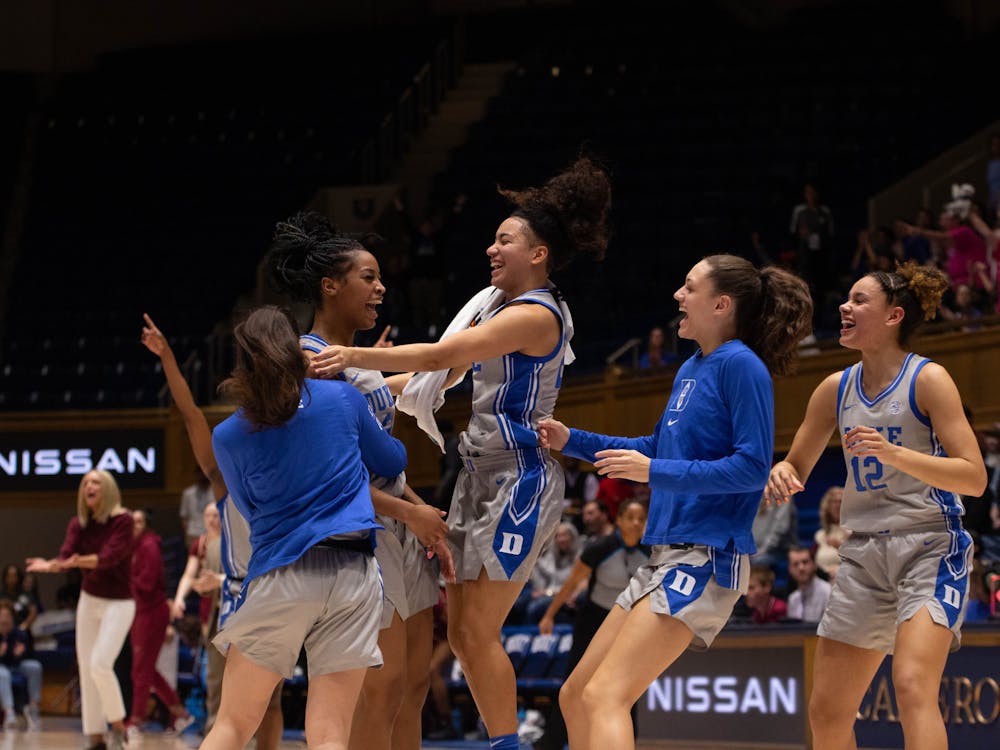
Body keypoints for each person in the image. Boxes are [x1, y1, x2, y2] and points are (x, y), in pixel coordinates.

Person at [309, 155, 613, 750]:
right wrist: (356, 383)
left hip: (519, 480)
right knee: (468, 635)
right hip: (478, 474)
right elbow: (431, 380)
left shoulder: (536, 314)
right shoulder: (495, 304)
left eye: (505, 240)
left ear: (539, 254)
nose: (491, 250)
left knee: (475, 634)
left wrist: (353, 357)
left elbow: (433, 356)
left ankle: (506, 743)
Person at [537, 253, 813, 749]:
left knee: (605, 696)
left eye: (689, 287)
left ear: (722, 304)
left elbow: (752, 469)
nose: (677, 296)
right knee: (575, 694)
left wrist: (655, 471)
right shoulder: (692, 366)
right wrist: (570, 439)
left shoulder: (743, 367)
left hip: (706, 555)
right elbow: (656, 448)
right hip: (663, 556)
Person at [765, 259, 986, 750]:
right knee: (826, 710)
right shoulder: (834, 389)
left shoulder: (929, 380)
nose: (845, 306)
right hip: (863, 555)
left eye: (860, 300)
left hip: (930, 545)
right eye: (847, 298)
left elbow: (974, 477)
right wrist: (783, 471)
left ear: (893, 316)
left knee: (911, 687)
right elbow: (796, 465)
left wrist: (895, 454)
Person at [267, 210, 452, 750]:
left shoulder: (358, 358)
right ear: (330, 286)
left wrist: (424, 517)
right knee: (383, 685)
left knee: (415, 681)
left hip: (399, 522)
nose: (380, 287)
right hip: (360, 534)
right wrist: (409, 513)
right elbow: (325, 479)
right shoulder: (308, 360)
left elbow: (389, 469)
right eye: (368, 277)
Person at [202, 305, 407, 750]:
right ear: (295, 348)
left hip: (281, 573)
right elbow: (392, 461)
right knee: (330, 735)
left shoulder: (228, 435)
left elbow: (248, 508)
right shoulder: (342, 399)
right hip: (354, 575)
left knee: (234, 727)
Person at [141, 313, 284, 749]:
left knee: (273, 703)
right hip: (240, 596)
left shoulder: (285, 471)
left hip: (283, 589)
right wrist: (167, 358)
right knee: (235, 708)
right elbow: (189, 415)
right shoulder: (221, 479)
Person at [26, 470, 135, 750]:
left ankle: (119, 724)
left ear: (107, 489)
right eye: (86, 482)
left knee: (100, 663)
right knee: (87, 668)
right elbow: (66, 555)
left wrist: (71, 562)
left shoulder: (123, 520)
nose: (89, 486)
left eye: (95, 482)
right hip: (90, 599)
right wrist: (53, 564)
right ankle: (96, 737)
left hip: (120, 602)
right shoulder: (78, 523)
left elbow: (109, 558)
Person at [537, 498, 650, 750]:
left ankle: (625, 741)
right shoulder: (601, 548)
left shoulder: (650, 552)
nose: (635, 523)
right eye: (630, 517)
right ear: (618, 520)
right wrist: (549, 615)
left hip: (628, 624)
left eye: (641, 518)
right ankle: (552, 741)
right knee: (574, 683)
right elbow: (571, 584)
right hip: (593, 619)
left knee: (624, 685)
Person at [127, 508, 192, 738]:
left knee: (142, 670)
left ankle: (137, 720)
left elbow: (147, 583)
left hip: (152, 612)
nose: (134, 525)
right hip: (141, 611)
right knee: (142, 669)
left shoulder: (149, 546)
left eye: (138, 521)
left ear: (147, 525)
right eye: (131, 521)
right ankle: (180, 713)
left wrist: (124, 580)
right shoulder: (134, 546)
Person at [171, 503, 222, 636]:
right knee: (210, 648)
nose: (211, 520)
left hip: (228, 600)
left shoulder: (231, 543)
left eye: (215, 515)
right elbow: (189, 575)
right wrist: (179, 598)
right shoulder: (199, 544)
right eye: (207, 516)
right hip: (208, 603)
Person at [0, 599, 42, 730]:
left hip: (16, 665)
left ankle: (33, 707)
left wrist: (19, 655)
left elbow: (27, 655)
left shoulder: (20, 633)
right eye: (2, 615)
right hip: (1, 667)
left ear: (12, 617)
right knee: (3, 674)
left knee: (35, 667)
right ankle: (9, 712)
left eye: (7, 616)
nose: (5, 619)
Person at [749, 494, 798, 569]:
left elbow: (780, 527)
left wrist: (763, 550)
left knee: (758, 561)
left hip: (779, 548)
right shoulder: (752, 489)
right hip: (754, 548)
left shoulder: (783, 489)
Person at [785, 545, 831, 623]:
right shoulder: (793, 599)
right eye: (795, 564)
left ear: (815, 565)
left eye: (805, 562)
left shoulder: (828, 593)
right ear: (790, 570)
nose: (801, 568)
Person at [813, 486, 848, 578]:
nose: (837, 505)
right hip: (822, 578)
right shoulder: (820, 535)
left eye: (841, 501)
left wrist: (840, 546)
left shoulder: (854, 532)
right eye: (834, 502)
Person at [180, 466, 215, 550]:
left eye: (204, 472)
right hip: (193, 532)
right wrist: (188, 531)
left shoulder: (216, 492)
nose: (202, 475)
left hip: (212, 532)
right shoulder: (188, 493)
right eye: (200, 473)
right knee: (194, 557)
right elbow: (184, 516)